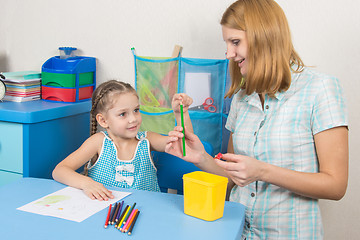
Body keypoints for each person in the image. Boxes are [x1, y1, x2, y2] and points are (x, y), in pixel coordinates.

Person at [166, 0, 349, 239]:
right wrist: (200, 157)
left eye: (235, 42)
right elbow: (232, 178)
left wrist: (262, 171)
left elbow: (335, 185)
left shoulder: (320, 89)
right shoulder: (241, 98)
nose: (229, 54)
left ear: (264, 37)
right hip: (237, 231)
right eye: (227, 44)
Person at [52, 80, 192, 201]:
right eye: (123, 114)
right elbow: (59, 170)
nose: (133, 119)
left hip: (149, 214)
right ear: (103, 120)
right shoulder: (98, 142)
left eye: (136, 110)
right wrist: (86, 183)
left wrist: (181, 114)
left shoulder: (147, 139)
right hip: (106, 215)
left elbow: (184, 145)